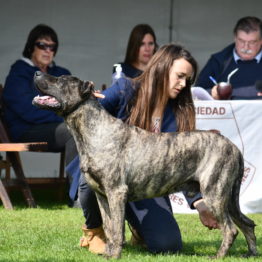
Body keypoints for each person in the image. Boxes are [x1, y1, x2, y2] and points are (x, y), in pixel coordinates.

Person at [78, 43, 219, 255]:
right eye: (179, 76)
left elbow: (185, 166)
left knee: (168, 246)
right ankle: (95, 231)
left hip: (149, 186)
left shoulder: (181, 111)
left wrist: (199, 202)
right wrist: (86, 98)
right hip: (109, 175)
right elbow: (88, 119)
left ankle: (138, 229)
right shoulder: (125, 89)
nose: (183, 84)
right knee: (94, 173)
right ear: (162, 68)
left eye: (187, 80)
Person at [3, 24, 80, 205]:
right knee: (71, 130)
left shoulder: (61, 74)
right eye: (42, 45)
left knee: (84, 129)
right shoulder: (19, 73)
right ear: (31, 47)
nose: (48, 50)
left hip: (56, 126)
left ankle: (92, 192)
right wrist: (63, 115)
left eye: (52, 47)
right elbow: (29, 111)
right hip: (26, 130)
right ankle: (77, 197)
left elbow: (76, 101)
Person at [196, 16, 262, 100]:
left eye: (252, 42)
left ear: (261, 41)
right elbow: (198, 92)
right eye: (241, 41)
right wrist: (212, 93)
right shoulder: (219, 61)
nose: (246, 47)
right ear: (235, 38)